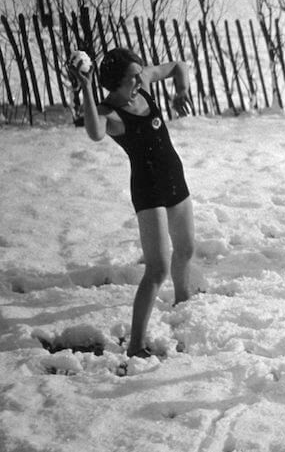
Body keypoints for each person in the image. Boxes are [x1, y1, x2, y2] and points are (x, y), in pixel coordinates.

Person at [71, 48, 195, 358]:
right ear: (115, 84)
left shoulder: (145, 83)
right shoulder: (110, 112)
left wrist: (181, 90)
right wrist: (85, 87)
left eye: (140, 73)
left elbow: (179, 64)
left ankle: (182, 301)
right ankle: (136, 344)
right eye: (132, 77)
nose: (140, 79)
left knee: (187, 248)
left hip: (174, 177)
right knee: (157, 269)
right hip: (148, 188)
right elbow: (95, 133)